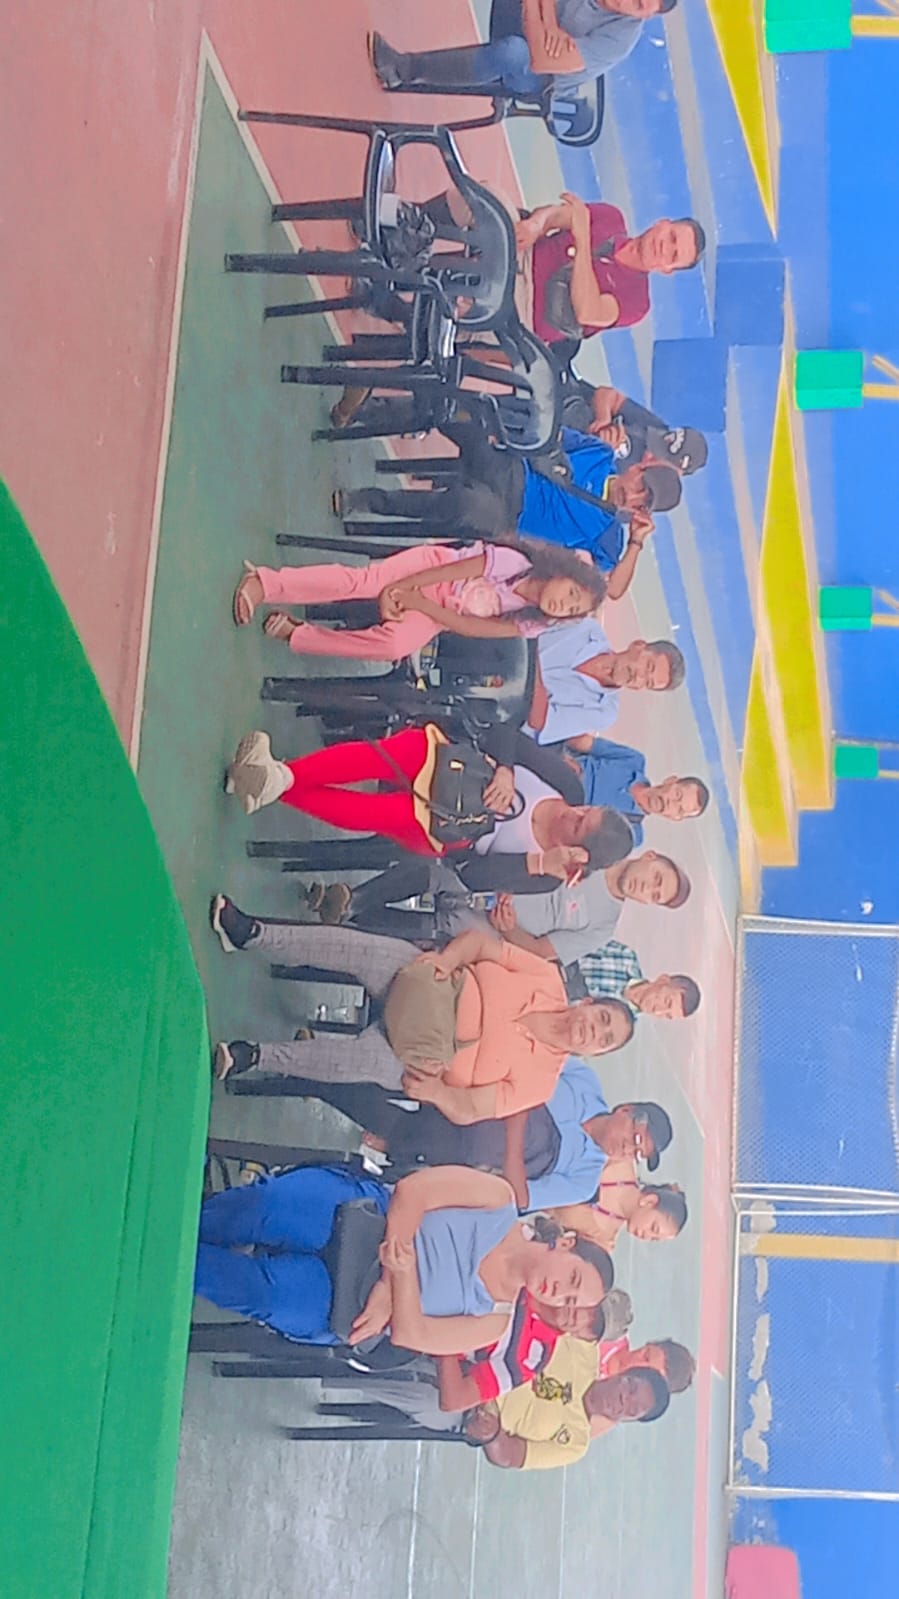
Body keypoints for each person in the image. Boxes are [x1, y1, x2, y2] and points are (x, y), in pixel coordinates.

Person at [211, 902, 635, 1112]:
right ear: (588, 1002)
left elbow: (474, 1109)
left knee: (358, 1063)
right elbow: (483, 946)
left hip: (423, 1059)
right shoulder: (547, 979)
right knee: (360, 949)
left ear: (595, 1053)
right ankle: (254, 934)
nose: (594, 1031)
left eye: (605, 1039)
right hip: (436, 982)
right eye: (602, 1019)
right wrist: (446, 960)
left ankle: (255, 1056)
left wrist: (437, 1093)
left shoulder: (541, 1084)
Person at [195, 1163, 612, 1353]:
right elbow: (415, 1192)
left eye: (567, 1300)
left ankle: (177, 1265)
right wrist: (390, 1281)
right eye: (572, 1280)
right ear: (566, 1244)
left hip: (351, 1300)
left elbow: (412, 1335)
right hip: (365, 1216)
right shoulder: (500, 1201)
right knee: (265, 1207)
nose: (558, 1292)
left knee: (266, 1295)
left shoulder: (492, 1322)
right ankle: (181, 1219)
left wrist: (394, 1283)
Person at [222, 723, 634, 902]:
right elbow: (504, 734)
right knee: (388, 754)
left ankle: (276, 780)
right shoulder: (568, 788)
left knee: (381, 812)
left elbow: (473, 877)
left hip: (447, 827)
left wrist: (538, 862)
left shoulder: (547, 878)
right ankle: (273, 782)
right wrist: (506, 771)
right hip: (454, 767)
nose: (574, 812)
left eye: (578, 825)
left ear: (581, 852)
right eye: (584, 810)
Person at [272, 1059, 673, 1214]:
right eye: (636, 1137)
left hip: (467, 1148)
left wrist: (516, 1123)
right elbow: (529, 1063)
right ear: (626, 1110)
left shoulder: (585, 1179)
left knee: (399, 1128)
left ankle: (303, 1075)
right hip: (475, 1089)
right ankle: (309, 1064)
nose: (629, 1149)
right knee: (401, 1075)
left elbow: (519, 1197)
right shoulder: (585, 1079)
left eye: (637, 1154)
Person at [338, 425, 682, 600]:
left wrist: (636, 542)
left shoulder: (609, 537)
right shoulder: (599, 452)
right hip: (511, 469)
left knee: (462, 506)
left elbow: (613, 590)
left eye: (642, 502)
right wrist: (501, 429)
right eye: (641, 484)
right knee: (461, 416)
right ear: (637, 468)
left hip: (508, 518)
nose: (633, 495)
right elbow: (548, 435)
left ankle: (368, 500)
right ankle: (377, 404)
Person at [231, 538, 607, 663]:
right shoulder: (516, 562)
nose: (564, 605)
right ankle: (265, 582)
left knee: (394, 647)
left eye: (572, 610)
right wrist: (400, 589)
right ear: (561, 572)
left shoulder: (531, 623)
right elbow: (449, 570)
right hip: (430, 569)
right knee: (362, 581)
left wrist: (418, 605)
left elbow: (470, 627)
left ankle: (299, 635)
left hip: (435, 612)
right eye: (571, 594)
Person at [517, 191, 705, 347]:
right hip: (523, 252)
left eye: (673, 255)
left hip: (523, 313)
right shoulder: (611, 217)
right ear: (661, 224)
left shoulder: (637, 303)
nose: (665, 247)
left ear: (666, 270)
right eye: (671, 237)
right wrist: (535, 225)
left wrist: (583, 238)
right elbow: (555, 216)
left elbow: (587, 312)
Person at [369, 4, 678, 97]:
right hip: (531, 23)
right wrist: (550, 26)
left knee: (514, 53)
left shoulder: (620, 39)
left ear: (645, 16)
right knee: (517, 46)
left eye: (639, 4)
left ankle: (404, 69)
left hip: (538, 79)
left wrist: (537, 10)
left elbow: (540, 61)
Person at [470, 1345, 671, 1469]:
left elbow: (509, 1456)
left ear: (626, 1421)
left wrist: (491, 1433)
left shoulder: (575, 1444)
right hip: (483, 1350)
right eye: (630, 1387)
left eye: (632, 1410)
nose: (623, 1400)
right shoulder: (584, 1349)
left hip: (477, 1408)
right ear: (623, 1373)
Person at [528, 616, 685, 743]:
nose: (639, 677)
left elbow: (540, 721)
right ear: (638, 645)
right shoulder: (587, 628)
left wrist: (527, 662)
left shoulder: (604, 712)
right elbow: (528, 624)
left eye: (647, 683)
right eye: (648, 666)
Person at [560, 733, 710, 845]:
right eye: (677, 795)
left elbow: (585, 845)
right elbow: (583, 743)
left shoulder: (632, 833)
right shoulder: (633, 760)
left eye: (679, 809)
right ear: (670, 780)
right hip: (559, 768)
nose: (672, 803)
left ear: (675, 818)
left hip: (561, 810)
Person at [559, 375, 709, 475]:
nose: (649, 454)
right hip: (569, 408)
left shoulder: (642, 493)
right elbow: (608, 395)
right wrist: (603, 419)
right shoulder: (656, 427)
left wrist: (599, 449)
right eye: (655, 446)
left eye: (660, 454)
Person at [546, 1157, 689, 1248]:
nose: (646, 1237)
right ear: (649, 1201)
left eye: (653, 1239)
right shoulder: (622, 1159)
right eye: (653, 1228)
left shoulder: (603, 1241)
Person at [575, 939, 701, 1019]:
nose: (659, 1011)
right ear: (662, 980)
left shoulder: (620, 1025)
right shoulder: (625, 957)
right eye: (667, 1002)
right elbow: (578, 943)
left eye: (667, 1015)